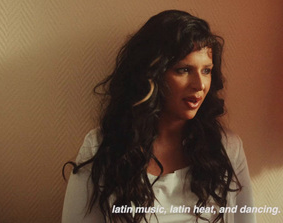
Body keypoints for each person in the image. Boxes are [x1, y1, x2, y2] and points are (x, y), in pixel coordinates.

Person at [62, 10, 256, 223]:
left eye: (206, 71)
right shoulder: (102, 146)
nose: (200, 85)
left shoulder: (227, 148)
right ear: (151, 74)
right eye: (183, 70)